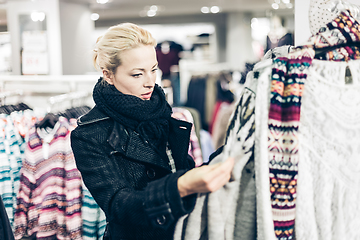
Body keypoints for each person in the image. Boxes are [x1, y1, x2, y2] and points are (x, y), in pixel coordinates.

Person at [70, 22, 235, 240]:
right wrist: (179, 187)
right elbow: (118, 205)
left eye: (154, 69)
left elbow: (182, 168)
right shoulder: (89, 134)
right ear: (108, 75)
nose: (150, 82)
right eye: (137, 74)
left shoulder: (162, 112)